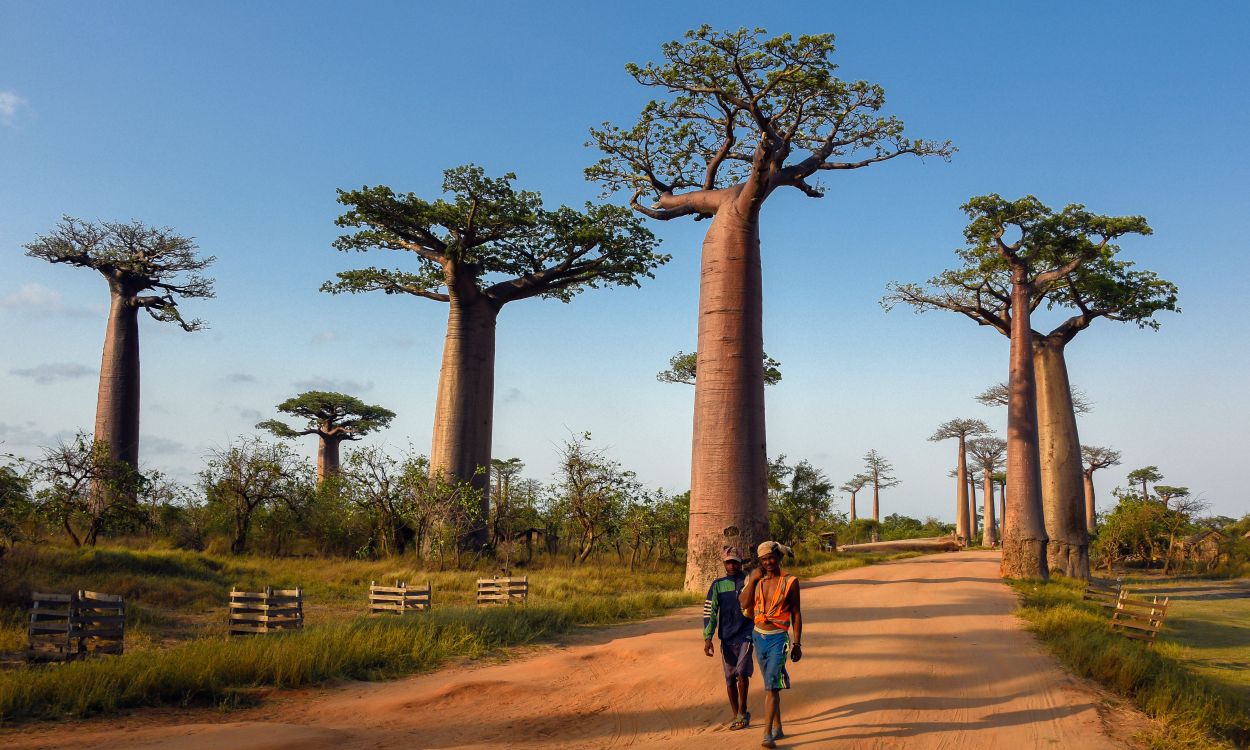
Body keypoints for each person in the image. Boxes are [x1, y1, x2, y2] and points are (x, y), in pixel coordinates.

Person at [739, 540, 802, 749]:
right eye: (764, 559)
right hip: (759, 636)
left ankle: (767, 734)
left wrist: (797, 643)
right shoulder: (756, 580)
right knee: (770, 684)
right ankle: (778, 726)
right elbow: (744, 603)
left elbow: (796, 613)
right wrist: (753, 580)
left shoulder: (791, 582)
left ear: (779, 558)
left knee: (771, 687)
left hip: (779, 638)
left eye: (771, 558)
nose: (768, 562)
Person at [703, 546, 754, 730]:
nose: (731, 565)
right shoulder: (718, 585)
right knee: (730, 679)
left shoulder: (748, 582)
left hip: (746, 633)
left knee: (742, 672)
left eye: (735, 561)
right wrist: (708, 637)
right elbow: (710, 612)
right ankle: (736, 714)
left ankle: (742, 710)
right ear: (724, 564)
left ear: (740, 562)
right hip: (726, 636)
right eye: (728, 562)